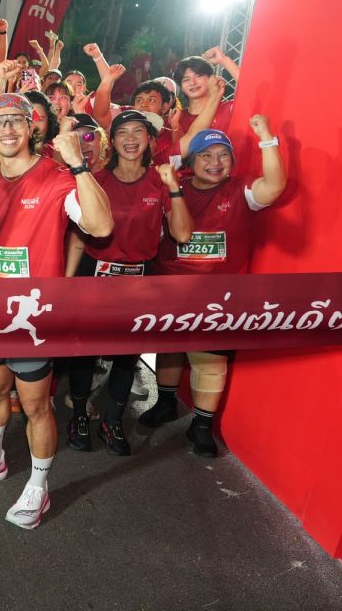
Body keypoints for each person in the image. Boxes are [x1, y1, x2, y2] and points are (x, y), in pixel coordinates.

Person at [0, 93, 113, 529]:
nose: (7, 129)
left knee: (34, 404)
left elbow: (101, 226)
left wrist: (79, 165)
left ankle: (39, 486)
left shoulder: (58, 177)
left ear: (32, 128)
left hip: (33, 315)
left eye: (16, 120)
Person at [142, 117, 286, 456]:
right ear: (192, 162)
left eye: (223, 155)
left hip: (220, 296)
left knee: (210, 361)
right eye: (206, 155)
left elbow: (274, 186)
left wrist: (267, 139)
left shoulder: (240, 190)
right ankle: (165, 403)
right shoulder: (173, 188)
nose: (215, 162)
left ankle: (202, 426)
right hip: (173, 288)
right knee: (170, 348)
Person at [63, 110, 193, 455]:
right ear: (113, 140)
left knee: (126, 354)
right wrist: (68, 282)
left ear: (150, 140)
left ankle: (113, 420)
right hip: (95, 273)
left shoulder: (159, 181)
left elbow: (182, 234)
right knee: (84, 351)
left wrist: (174, 188)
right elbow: (78, 237)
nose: (131, 139)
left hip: (139, 278)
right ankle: (79, 417)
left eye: (139, 132)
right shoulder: (96, 179)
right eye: (123, 132)